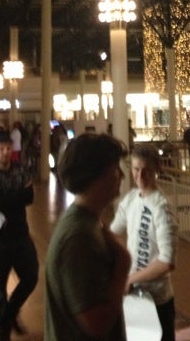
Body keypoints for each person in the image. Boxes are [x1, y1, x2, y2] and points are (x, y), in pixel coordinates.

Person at [45, 132, 131, 341]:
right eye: (115, 169)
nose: (122, 175)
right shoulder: (79, 238)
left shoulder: (87, 221)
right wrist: (122, 267)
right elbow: (96, 324)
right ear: (96, 175)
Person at [111, 144, 178, 341]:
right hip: (134, 297)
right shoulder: (131, 199)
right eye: (136, 169)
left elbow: (167, 262)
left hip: (157, 301)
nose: (140, 176)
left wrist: (130, 279)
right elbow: (112, 232)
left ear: (157, 169)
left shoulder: (162, 208)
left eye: (146, 170)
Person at [0, 131, 39, 341]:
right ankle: (3, 331)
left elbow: (30, 198)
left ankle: (8, 316)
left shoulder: (20, 170)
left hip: (21, 234)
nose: (6, 152)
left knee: (31, 277)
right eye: (2, 149)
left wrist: (7, 199)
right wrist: (18, 196)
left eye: (8, 148)